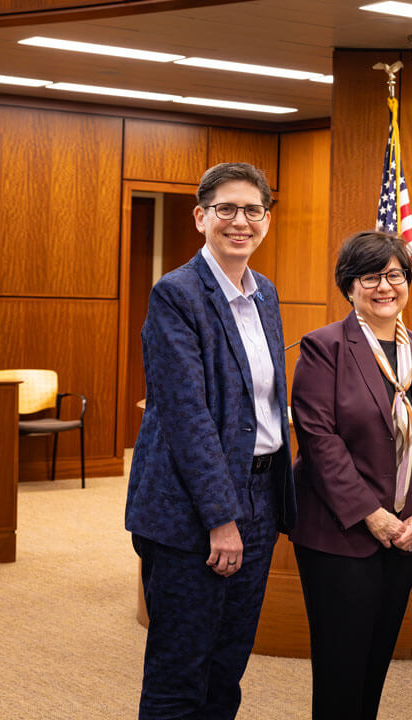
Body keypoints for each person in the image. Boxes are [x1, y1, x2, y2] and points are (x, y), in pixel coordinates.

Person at [126, 162, 296, 719]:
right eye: (226, 209)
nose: (240, 221)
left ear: (266, 221)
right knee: (180, 676)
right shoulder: (176, 294)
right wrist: (222, 518)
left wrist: (258, 511)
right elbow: (187, 418)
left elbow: (263, 404)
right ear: (201, 217)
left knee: (226, 671)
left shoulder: (265, 294)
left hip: (260, 502)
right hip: (190, 513)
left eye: (253, 210)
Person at [289, 230, 412, 719]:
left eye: (394, 275)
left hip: (407, 536)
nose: (385, 287)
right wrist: (372, 515)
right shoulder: (324, 347)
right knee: (341, 673)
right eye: (370, 276)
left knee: (375, 665)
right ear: (349, 285)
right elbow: (319, 441)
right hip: (341, 537)